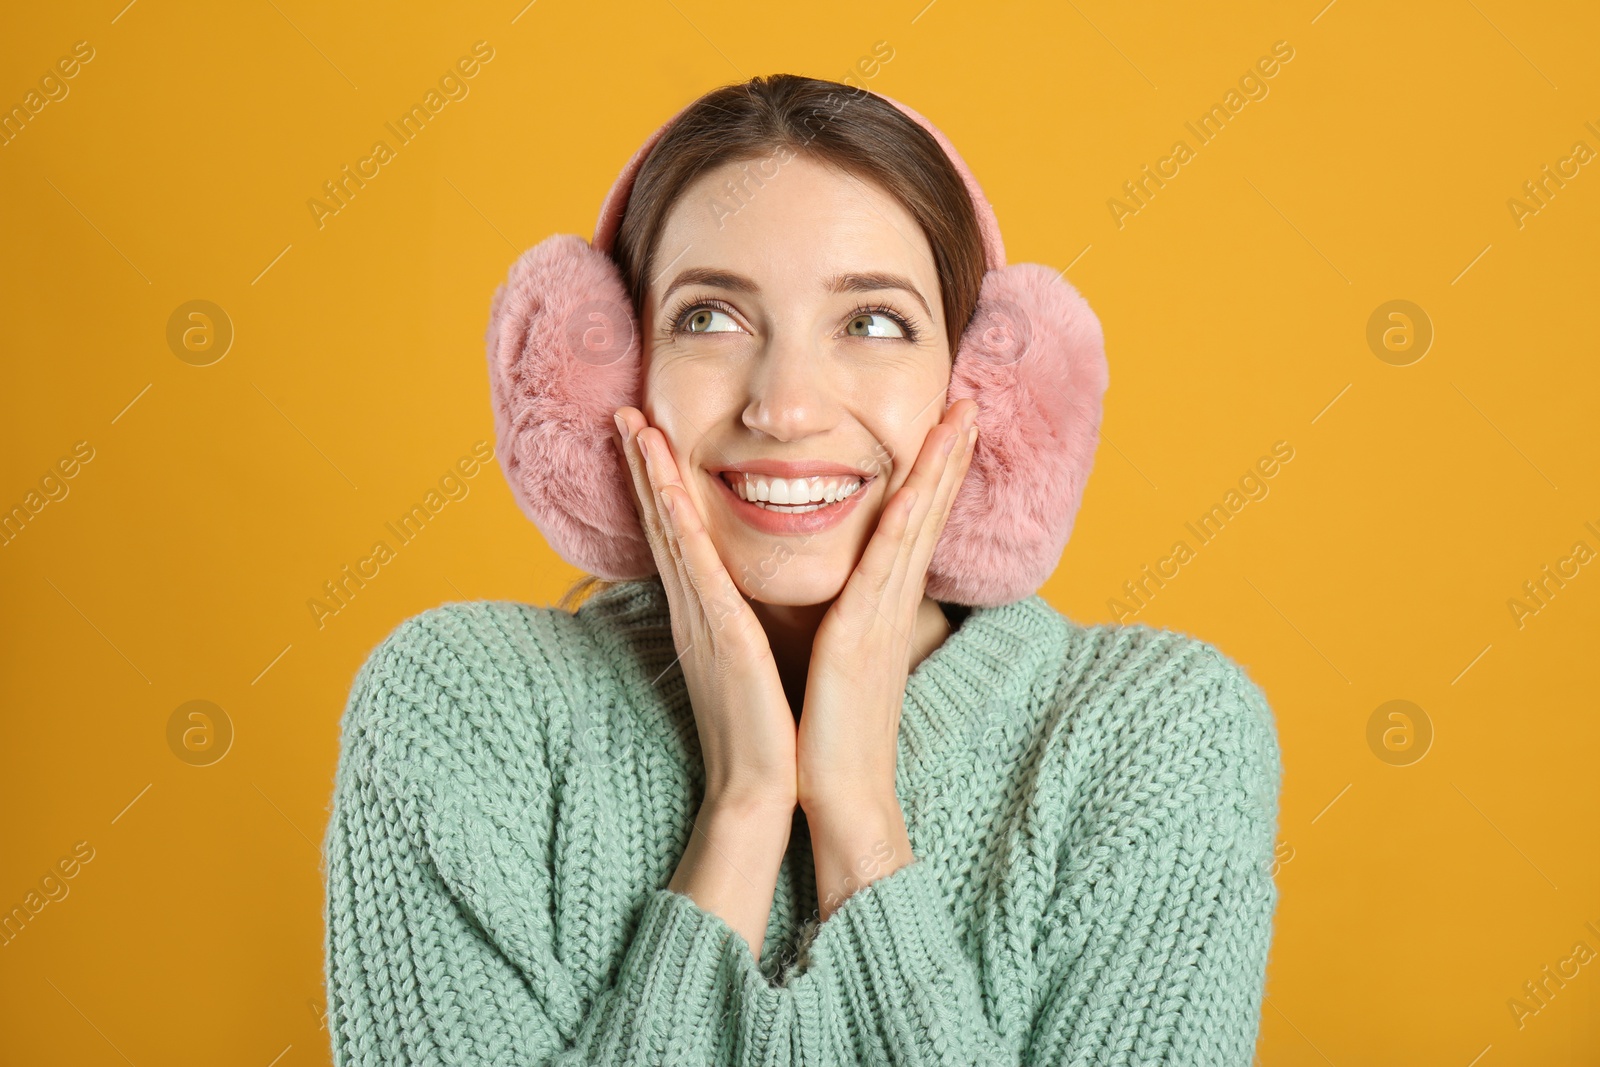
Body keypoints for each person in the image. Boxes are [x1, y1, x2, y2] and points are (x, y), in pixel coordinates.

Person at [323, 73, 1282, 1066]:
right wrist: (739, 808)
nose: (783, 407)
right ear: (608, 380)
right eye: (708, 317)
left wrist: (860, 818)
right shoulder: (462, 703)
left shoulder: (1158, 733)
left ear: (986, 393)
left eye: (871, 322)